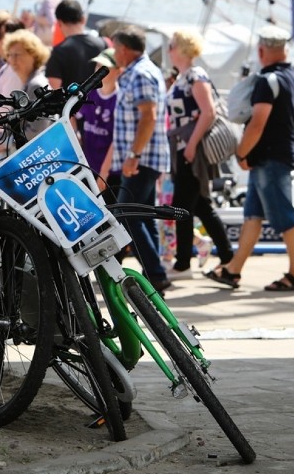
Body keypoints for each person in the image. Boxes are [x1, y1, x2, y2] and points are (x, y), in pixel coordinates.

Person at [205, 26, 294, 292]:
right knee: (253, 216)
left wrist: (241, 152)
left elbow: (258, 122)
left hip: (269, 158)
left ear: (262, 51)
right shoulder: (290, 77)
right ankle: (233, 270)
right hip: (275, 155)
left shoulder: (267, 81)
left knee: (285, 217)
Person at [165, 29, 234, 278]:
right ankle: (227, 255)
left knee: (183, 206)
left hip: (191, 151)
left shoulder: (195, 76)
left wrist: (192, 145)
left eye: (172, 45)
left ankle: (183, 263)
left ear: (182, 48)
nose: (169, 50)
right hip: (184, 148)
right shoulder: (184, 76)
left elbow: (209, 112)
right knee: (201, 205)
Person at [110, 25, 172, 293]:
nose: (114, 54)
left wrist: (133, 155)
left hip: (142, 157)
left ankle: (155, 275)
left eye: (115, 49)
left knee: (128, 215)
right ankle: (154, 274)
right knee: (143, 216)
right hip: (145, 156)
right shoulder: (143, 71)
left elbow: (149, 115)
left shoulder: (140, 74)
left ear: (124, 49)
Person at [74, 48, 121, 194]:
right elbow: (71, 113)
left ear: (118, 71)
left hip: (110, 172)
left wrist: (104, 174)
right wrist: (75, 134)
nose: (98, 71)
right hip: (88, 167)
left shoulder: (120, 99)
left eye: (104, 67)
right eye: (97, 66)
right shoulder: (91, 93)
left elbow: (117, 141)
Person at [45, 0, 106, 90]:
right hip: (99, 103)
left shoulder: (58, 51)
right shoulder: (103, 44)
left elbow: (54, 88)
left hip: (73, 103)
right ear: (83, 19)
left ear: (59, 23)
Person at [2, 29, 52, 139]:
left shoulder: (36, 85)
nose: (12, 60)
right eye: (10, 55)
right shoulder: (30, 82)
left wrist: (8, 142)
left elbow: (37, 131)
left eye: (17, 55)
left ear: (33, 55)